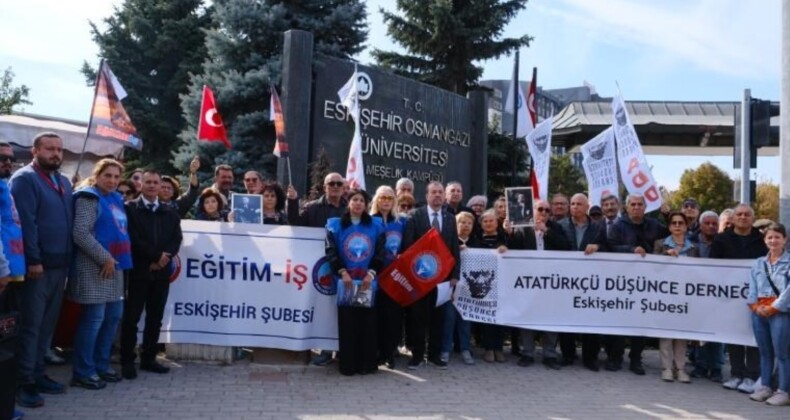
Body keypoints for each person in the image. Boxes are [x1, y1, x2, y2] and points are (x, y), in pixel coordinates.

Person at [9, 132, 74, 408]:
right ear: (35, 151)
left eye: (59, 149)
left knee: (46, 327)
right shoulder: (25, 179)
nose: (56, 154)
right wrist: (33, 259)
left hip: (60, 265)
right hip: (37, 267)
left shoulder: (64, 181)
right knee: (31, 327)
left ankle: (37, 372)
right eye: (50, 148)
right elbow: (26, 223)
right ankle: (24, 383)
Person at [68, 159, 131, 390]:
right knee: (93, 320)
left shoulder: (115, 198)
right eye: (108, 175)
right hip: (94, 267)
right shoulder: (88, 197)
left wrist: (111, 260)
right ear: (97, 175)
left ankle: (101, 365)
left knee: (113, 317)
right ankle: (83, 371)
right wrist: (105, 257)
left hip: (114, 267)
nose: (113, 180)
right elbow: (81, 233)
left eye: (116, 176)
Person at [120, 170, 183, 380]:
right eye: (148, 182)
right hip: (139, 272)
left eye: (156, 182)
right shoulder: (130, 209)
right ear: (141, 184)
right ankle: (127, 361)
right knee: (131, 318)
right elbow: (132, 238)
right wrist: (155, 257)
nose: (152, 185)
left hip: (161, 274)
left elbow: (176, 239)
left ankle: (149, 359)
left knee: (155, 318)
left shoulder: (170, 212)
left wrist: (164, 258)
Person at [287, 173, 347, 366]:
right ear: (325, 187)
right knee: (323, 309)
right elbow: (295, 224)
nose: (336, 186)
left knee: (342, 309)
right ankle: (325, 350)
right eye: (332, 183)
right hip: (319, 267)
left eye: (339, 183)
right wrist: (293, 201)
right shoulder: (313, 208)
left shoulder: (350, 208)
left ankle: (342, 350)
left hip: (345, 265)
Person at [325, 189, 386, 376]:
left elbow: (380, 252)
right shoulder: (335, 225)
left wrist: (371, 274)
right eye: (355, 200)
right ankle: (348, 365)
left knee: (367, 324)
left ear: (366, 205)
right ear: (348, 202)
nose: (358, 203)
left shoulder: (376, 226)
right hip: (346, 282)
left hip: (368, 282)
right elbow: (331, 252)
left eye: (362, 200)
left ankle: (365, 365)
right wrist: (342, 272)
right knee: (347, 323)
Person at [401, 181, 460, 370]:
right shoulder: (415, 216)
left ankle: (434, 355)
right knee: (418, 318)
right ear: (426, 196)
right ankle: (417, 355)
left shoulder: (451, 218)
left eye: (440, 192)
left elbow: (454, 249)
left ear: (444, 196)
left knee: (438, 318)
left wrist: (454, 275)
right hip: (420, 277)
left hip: (442, 279)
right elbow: (408, 247)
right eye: (433, 192)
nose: (437, 195)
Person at [606, 194, 668, 375]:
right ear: (626, 207)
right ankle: (615, 358)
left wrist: (667, 215)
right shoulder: (618, 226)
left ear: (645, 207)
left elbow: (674, 232)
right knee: (619, 321)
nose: (636, 207)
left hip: (647, 283)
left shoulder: (654, 225)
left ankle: (636, 359)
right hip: (621, 282)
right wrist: (631, 250)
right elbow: (610, 247)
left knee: (640, 323)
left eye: (640, 204)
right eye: (632, 204)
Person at [506, 198, 570, 369]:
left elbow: (566, 247)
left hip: (551, 283)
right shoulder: (522, 228)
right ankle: (528, 353)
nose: (543, 213)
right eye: (540, 209)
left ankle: (549, 354)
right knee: (528, 316)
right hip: (528, 282)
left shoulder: (556, 228)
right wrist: (510, 234)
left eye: (547, 210)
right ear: (533, 210)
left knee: (550, 317)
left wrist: (546, 231)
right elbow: (512, 251)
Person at [710, 203, 766, 393]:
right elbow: (712, 267)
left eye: (747, 214)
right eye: (739, 214)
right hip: (730, 297)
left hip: (757, 296)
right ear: (733, 218)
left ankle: (751, 376)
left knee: (753, 334)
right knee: (733, 334)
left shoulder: (762, 240)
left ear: (753, 218)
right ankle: (736, 374)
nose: (743, 217)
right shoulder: (721, 240)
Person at [558, 193, 607, 371]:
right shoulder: (561, 225)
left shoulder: (598, 227)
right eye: (572, 204)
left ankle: (590, 358)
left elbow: (607, 247)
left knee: (590, 319)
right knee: (566, 319)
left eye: (579, 204)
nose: (575, 207)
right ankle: (568, 355)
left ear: (587, 207)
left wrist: (598, 247)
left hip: (590, 282)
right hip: (566, 280)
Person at [746, 223, 790, 406]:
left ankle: (783, 391)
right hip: (759, 312)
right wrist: (755, 307)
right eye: (770, 237)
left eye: (777, 237)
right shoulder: (758, 263)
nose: (773, 240)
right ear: (765, 240)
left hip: (779, 312)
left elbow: (788, 290)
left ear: (784, 240)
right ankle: (765, 386)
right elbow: (752, 287)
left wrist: (774, 307)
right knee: (765, 352)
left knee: (782, 353)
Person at [653, 212, 699, 383]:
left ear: (686, 226)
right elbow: (651, 267)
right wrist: (665, 257)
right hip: (665, 295)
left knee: (681, 333)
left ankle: (680, 368)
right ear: (670, 226)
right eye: (674, 223)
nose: (677, 226)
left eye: (681, 223)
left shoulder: (694, 247)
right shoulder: (660, 244)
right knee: (666, 333)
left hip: (685, 295)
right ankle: (666, 367)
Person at [0, 142, 25, 420]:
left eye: (10, 159)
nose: (7, 163)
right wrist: (3, 269)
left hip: (13, 273)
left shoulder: (4, 187)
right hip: (3, 275)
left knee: (6, 343)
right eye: (1, 158)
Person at [369, 186, 404, 369]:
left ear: (394, 201)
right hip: (373, 276)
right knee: (375, 316)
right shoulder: (369, 221)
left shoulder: (400, 222)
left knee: (392, 317)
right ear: (377, 200)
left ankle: (389, 353)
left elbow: (407, 247)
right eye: (382, 197)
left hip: (394, 277)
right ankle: (375, 353)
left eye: (389, 198)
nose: (386, 201)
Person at [689, 210, 725, 382]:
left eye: (714, 224)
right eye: (707, 223)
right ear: (701, 225)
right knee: (699, 331)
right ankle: (700, 365)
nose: (711, 227)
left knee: (718, 332)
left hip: (719, 294)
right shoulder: (691, 241)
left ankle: (716, 368)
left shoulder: (724, 242)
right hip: (696, 292)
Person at [471, 210, 508, 363]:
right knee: (486, 318)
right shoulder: (475, 239)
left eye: (491, 220)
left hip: (502, 283)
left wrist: (506, 249)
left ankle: (498, 348)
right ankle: (488, 349)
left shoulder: (505, 238)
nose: (488, 223)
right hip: (484, 284)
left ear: (497, 223)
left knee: (500, 317)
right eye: (485, 221)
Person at [440, 211, 476, 366]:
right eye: (462, 222)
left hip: (469, 291)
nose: (466, 226)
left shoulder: (476, 243)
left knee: (465, 320)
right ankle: (445, 350)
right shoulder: (449, 241)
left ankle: (465, 349)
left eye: (469, 223)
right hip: (451, 287)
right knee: (449, 319)